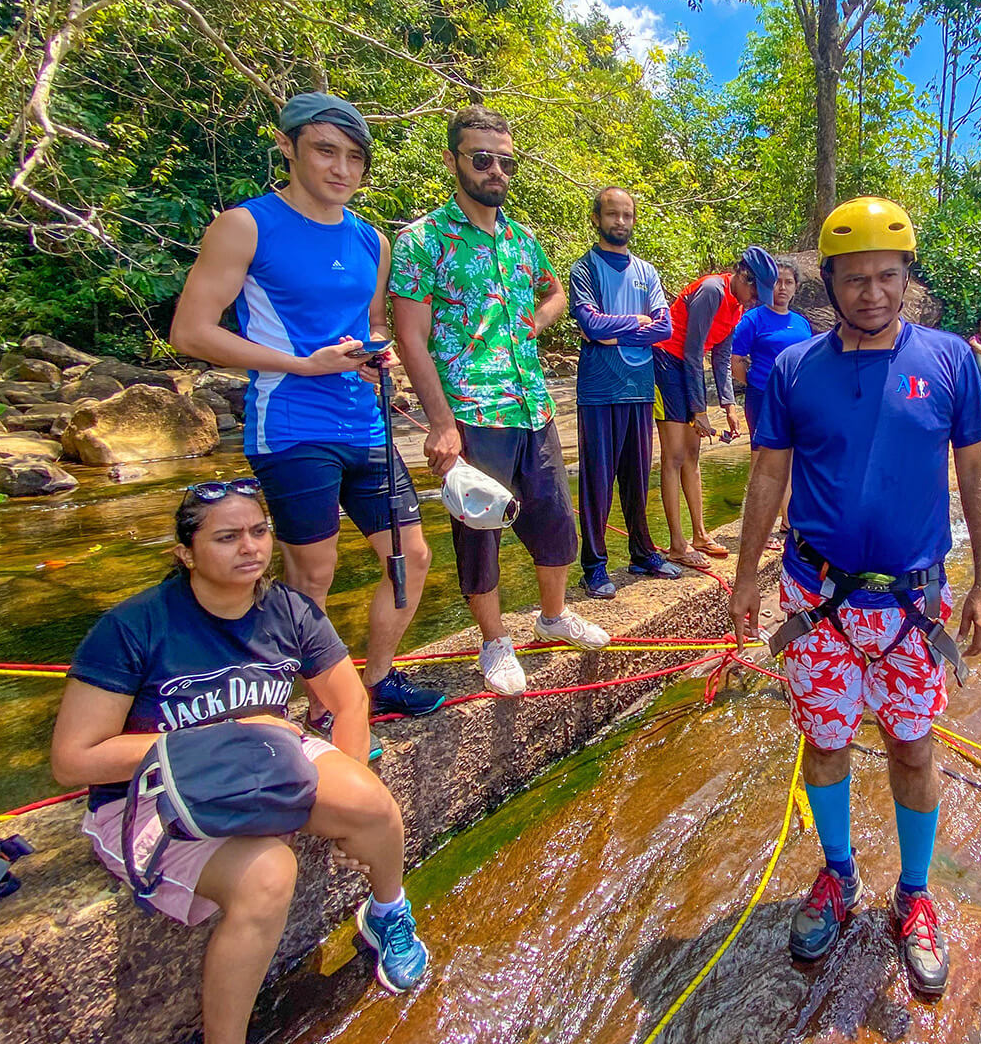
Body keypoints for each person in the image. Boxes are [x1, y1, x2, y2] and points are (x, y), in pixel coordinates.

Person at [730, 196, 981, 999]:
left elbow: (978, 473)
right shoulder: (793, 370)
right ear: (830, 284)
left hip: (915, 608)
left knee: (915, 748)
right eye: (854, 279)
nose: (872, 293)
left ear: (908, 279)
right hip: (816, 598)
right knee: (825, 743)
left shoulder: (952, 361)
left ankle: (914, 896)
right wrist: (745, 575)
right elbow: (769, 475)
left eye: (888, 277)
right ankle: (839, 874)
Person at [49, 483, 429, 1044]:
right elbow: (74, 760)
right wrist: (225, 734)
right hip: (163, 792)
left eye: (258, 531)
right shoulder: (134, 628)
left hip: (265, 760)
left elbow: (349, 701)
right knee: (269, 874)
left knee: (372, 805)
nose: (249, 548)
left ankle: (386, 913)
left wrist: (346, 795)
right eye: (226, 537)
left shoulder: (289, 611)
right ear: (185, 552)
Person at [169, 93, 444, 732]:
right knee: (312, 572)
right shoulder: (245, 225)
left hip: (365, 421)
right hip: (291, 421)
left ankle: (376, 682)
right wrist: (299, 364)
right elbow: (191, 330)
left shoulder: (372, 239)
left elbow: (371, 324)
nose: (341, 169)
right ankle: (316, 706)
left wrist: (376, 355)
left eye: (354, 158)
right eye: (325, 151)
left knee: (412, 555)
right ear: (289, 148)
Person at [390, 105, 611, 697]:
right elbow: (409, 337)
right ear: (452, 160)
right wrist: (439, 423)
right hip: (468, 407)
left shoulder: (522, 238)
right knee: (479, 531)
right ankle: (493, 641)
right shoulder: (421, 241)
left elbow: (556, 290)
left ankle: (553, 616)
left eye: (505, 161)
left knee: (554, 520)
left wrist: (536, 322)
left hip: (533, 402)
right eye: (481, 158)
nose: (495, 170)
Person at [567, 187, 683, 599]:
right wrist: (634, 325)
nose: (620, 222)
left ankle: (641, 552)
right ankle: (594, 567)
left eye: (627, 215)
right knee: (596, 483)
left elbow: (664, 328)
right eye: (612, 214)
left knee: (637, 478)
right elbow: (590, 325)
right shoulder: (584, 270)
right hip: (599, 390)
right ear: (596, 218)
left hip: (639, 387)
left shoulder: (647, 273)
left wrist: (613, 331)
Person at [652, 246, 777, 567]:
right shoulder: (711, 291)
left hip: (686, 368)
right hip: (666, 362)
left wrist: (729, 405)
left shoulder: (736, 306)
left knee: (693, 454)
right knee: (675, 456)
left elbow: (721, 356)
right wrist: (698, 410)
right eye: (753, 290)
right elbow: (694, 352)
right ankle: (677, 544)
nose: (753, 299)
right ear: (742, 275)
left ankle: (699, 534)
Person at [732, 256, 813, 551]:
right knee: (761, 461)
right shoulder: (753, 319)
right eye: (777, 282)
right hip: (763, 396)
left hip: (795, 398)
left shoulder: (801, 324)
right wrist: (752, 384)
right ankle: (757, 528)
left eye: (788, 282)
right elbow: (737, 360)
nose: (782, 288)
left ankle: (787, 520)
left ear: (795, 288)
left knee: (790, 459)